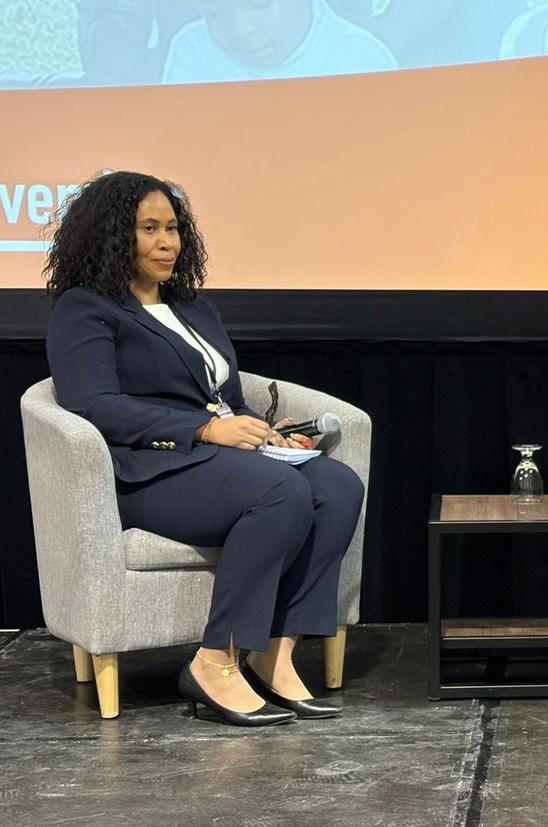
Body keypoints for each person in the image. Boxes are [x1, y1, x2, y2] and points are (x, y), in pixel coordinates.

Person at [44, 171, 365, 726]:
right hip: (150, 471)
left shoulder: (194, 308)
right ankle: (215, 662)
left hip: (218, 462)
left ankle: (275, 654)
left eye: (172, 228)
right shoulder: (86, 309)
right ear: (111, 235)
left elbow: (226, 398)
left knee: (337, 486)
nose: (168, 243)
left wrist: (262, 430)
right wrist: (205, 429)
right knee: (283, 492)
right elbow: (94, 404)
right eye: (149, 229)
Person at [162, 0, 396, 84]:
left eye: (258, 5)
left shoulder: (361, 57)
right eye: (216, 13)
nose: (242, 29)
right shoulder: (192, 49)